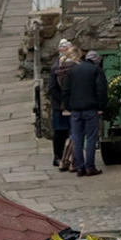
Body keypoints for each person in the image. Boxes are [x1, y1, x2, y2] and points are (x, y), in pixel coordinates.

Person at [64, 48, 108, 177]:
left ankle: (80, 167)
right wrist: (101, 106)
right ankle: (90, 167)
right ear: (96, 61)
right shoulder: (96, 70)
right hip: (91, 109)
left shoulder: (72, 71)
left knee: (77, 138)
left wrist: (68, 106)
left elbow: (65, 91)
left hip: (75, 110)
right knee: (91, 138)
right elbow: (101, 90)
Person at [46, 39, 80, 171]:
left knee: (70, 131)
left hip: (67, 104)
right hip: (60, 106)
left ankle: (68, 157)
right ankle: (58, 157)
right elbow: (52, 88)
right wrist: (64, 100)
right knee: (60, 132)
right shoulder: (56, 67)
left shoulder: (68, 65)